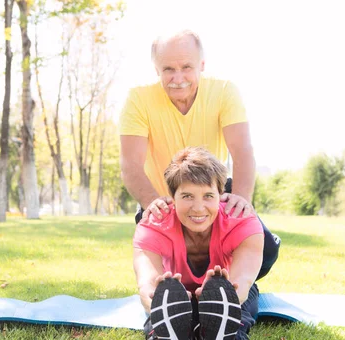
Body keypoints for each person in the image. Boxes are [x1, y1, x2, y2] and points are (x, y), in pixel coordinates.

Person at [119, 29, 280, 284]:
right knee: (169, 266)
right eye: (168, 69)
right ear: (156, 70)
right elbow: (131, 166)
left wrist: (240, 199)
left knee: (267, 251)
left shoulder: (224, 92)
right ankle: (176, 289)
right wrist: (153, 203)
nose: (178, 77)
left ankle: (230, 286)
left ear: (202, 65)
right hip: (161, 198)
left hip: (212, 193)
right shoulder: (138, 99)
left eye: (186, 67)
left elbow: (242, 151)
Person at [133, 147, 264, 340]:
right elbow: (147, 284)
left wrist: (229, 296)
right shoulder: (154, 223)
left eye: (208, 196)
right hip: (177, 289)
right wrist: (157, 298)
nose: (198, 207)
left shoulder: (242, 221)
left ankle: (226, 334)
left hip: (226, 286)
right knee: (165, 304)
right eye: (187, 196)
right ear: (171, 197)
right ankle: (167, 335)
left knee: (241, 306)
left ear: (221, 196)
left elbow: (242, 281)